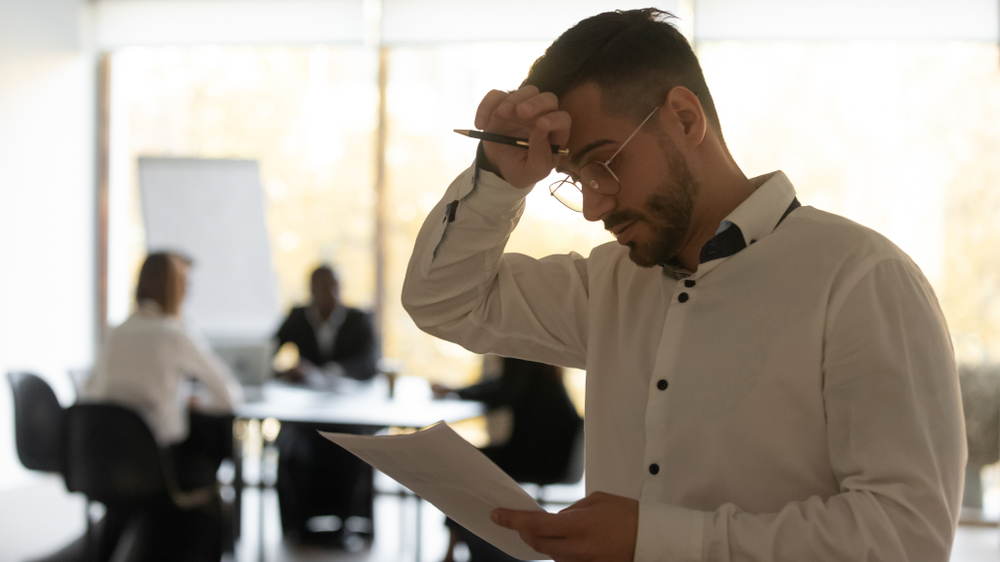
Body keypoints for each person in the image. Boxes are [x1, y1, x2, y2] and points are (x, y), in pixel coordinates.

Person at [401, 8, 966, 562]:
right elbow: (445, 301)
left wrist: (655, 540)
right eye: (575, 180)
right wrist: (498, 178)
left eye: (604, 163)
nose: (594, 206)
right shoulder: (611, 287)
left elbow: (906, 537)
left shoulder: (861, 279)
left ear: (685, 118)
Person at [84, 251, 243, 561]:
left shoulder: (114, 332)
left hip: (105, 463)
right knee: (209, 464)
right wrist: (193, 402)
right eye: (185, 284)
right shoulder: (174, 334)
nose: (188, 292)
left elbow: (90, 395)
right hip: (158, 469)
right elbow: (229, 396)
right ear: (173, 288)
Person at [272, 264, 381, 549]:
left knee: (351, 447)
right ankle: (298, 525)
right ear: (311, 291)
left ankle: (349, 523)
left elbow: (370, 363)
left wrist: (333, 371)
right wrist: (287, 371)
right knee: (291, 446)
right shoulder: (297, 317)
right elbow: (269, 352)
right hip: (305, 413)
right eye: (323, 287)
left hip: (350, 411)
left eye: (335, 287)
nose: (331, 294)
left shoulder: (359, 319)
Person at [433, 356, 583, 562]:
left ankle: (454, 551)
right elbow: (502, 387)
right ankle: (458, 548)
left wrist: (456, 392)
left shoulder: (522, 354)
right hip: (549, 454)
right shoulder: (537, 357)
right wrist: (456, 391)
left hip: (539, 457)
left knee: (463, 462)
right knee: (466, 460)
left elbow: (503, 394)